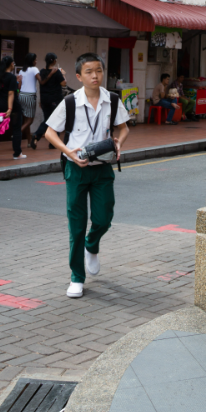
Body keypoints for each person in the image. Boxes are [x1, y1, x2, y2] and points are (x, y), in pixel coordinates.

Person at [43, 53, 130, 299]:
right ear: (79, 76)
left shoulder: (112, 100)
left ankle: (92, 245)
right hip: (76, 169)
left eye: (99, 71)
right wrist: (68, 151)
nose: (95, 76)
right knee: (77, 225)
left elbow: (123, 128)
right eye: (89, 71)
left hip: (102, 168)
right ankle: (76, 277)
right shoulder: (70, 102)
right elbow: (50, 133)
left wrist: (119, 143)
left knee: (104, 218)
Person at [32, 53, 67, 148]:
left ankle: (38, 136)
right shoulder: (57, 72)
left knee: (48, 119)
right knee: (55, 121)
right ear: (54, 61)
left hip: (45, 100)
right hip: (55, 99)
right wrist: (63, 74)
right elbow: (64, 83)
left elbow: (41, 86)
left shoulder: (42, 71)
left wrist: (41, 100)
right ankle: (50, 142)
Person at [17, 53, 40, 146]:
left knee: (26, 120)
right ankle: (17, 133)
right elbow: (41, 80)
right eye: (35, 60)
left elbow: (19, 85)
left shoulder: (21, 71)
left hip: (21, 95)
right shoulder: (34, 69)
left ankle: (29, 142)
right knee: (30, 121)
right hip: (30, 96)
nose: (36, 61)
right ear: (32, 61)